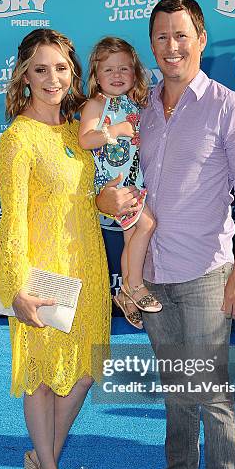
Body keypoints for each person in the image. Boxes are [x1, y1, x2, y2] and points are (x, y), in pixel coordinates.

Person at [96, 0, 235, 469]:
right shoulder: (137, 110)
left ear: (201, 38)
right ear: (152, 45)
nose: (172, 46)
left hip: (204, 272)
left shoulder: (230, 108)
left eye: (182, 35)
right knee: (176, 388)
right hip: (153, 273)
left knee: (212, 396)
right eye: (162, 37)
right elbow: (117, 186)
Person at [0, 28, 110, 469]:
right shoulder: (17, 138)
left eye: (60, 68)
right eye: (40, 69)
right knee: (42, 380)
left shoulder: (76, 130)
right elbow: (12, 218)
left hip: (88, 263)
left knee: (82, 373)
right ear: (24, 75)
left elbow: (95, 195)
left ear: (73, 72)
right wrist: (16, 288)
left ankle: (42, 463)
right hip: (42, 271)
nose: (52, 78)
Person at [79, 36, 162, 330]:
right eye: (109, 70)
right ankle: (135, 287)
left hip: (134, 181)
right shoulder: (96, 104)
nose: (116, 76)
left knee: (133, 237)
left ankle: (126, 296)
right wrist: (115, 129)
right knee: (147, 225)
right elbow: (86, 139)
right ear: (96, 75)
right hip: (116, 185)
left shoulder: (132, 103)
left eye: (124, 70)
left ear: (135, 73)